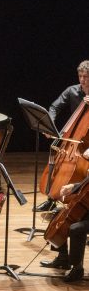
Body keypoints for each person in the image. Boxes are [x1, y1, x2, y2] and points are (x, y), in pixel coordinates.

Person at [35, 61, 89, 214]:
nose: (82, 80)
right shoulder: (72, 91)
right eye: (80, 76)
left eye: (86, 77)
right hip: (74, 136)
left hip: (87, 141)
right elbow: (54, 107)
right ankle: (51, 199)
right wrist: (49, 125)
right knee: (58, 162)